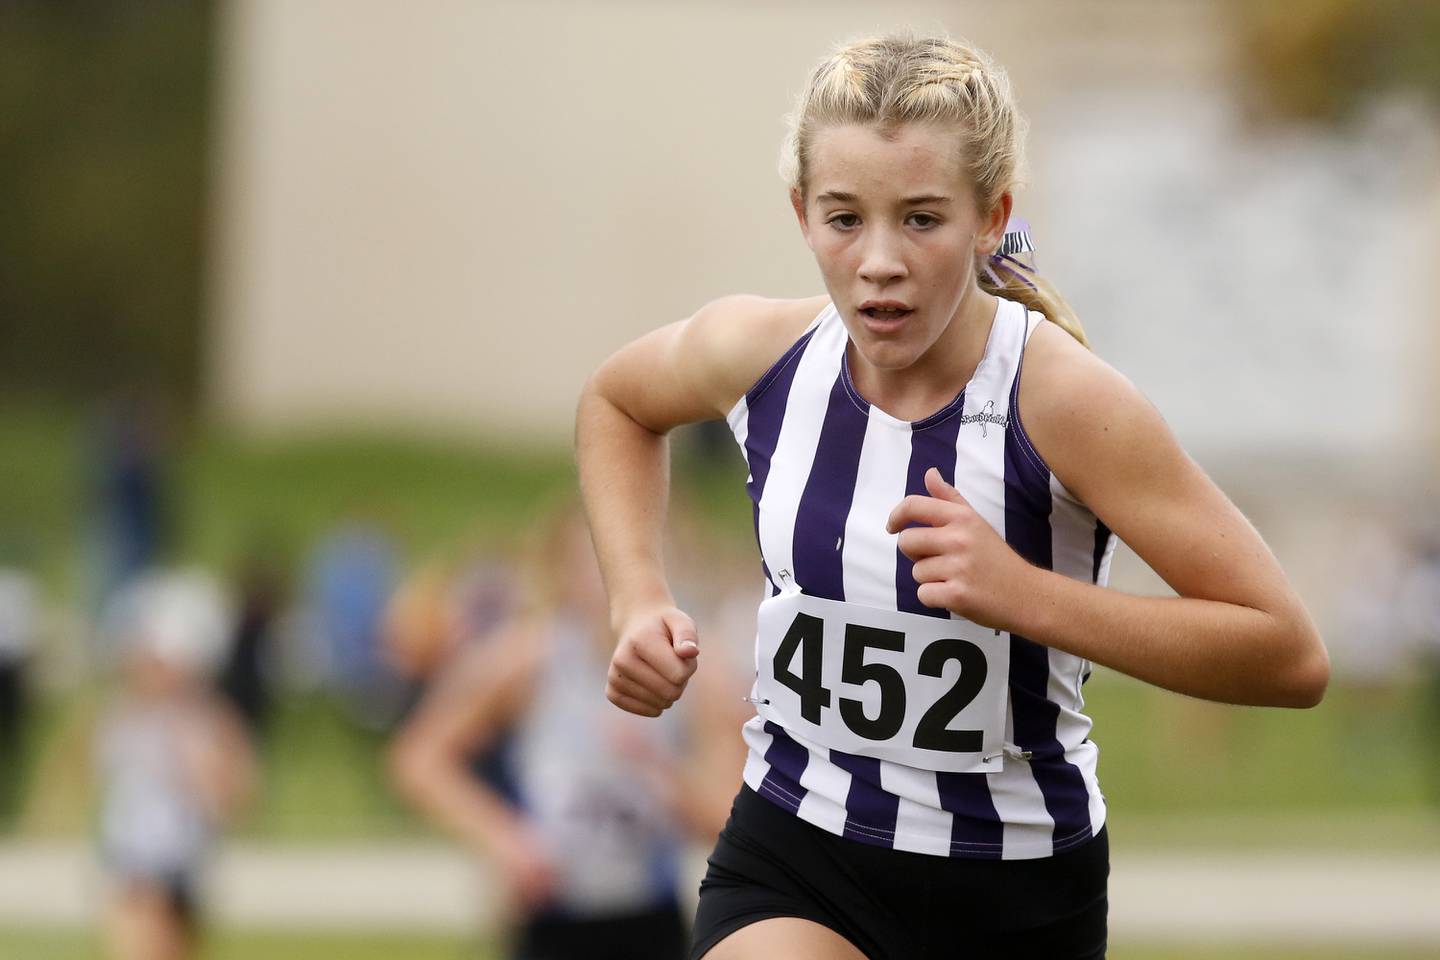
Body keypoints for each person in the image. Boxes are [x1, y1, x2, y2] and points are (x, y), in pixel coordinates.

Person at [574, 32, 1329, 960]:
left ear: (990, 215)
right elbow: (616, 402)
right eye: (845, 218)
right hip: (796, 851)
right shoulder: (760, 355)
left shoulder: (1061, 399)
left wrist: (1029, 597)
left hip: (1012, 891)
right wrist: (638, 597)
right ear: (801, 211)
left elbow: (1287, 655)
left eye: (922, 219)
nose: (880, 260)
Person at [388, 505, 748, 960]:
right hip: (549, 913)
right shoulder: (525, 658)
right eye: (599, 566)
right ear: (562, 572)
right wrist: (504, 840)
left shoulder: (703, 672)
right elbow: (419, 758)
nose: (614, 586)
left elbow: (732, 823)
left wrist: (664, 774)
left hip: (651, 914)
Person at [95, 569, 257, 960]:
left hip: (177, 858)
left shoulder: (204, 720)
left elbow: (234, 793)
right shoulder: (125, 713)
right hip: (133, 859)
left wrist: (205, 779)